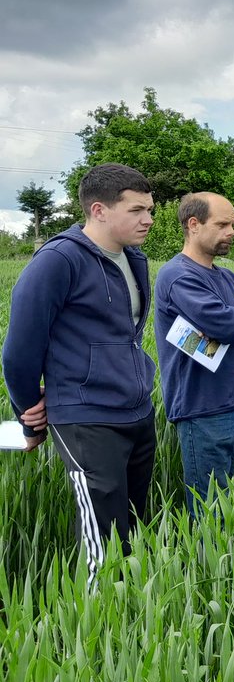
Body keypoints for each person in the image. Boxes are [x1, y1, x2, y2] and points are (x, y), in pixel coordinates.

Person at [2, 163, 156, 582]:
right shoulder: (57, 260)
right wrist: (28, 411)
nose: (148, 220)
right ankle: (99, 627)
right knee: (102, 537)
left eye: (151, 210)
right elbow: (19, 351)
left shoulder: (134, 259)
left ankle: (139, 623)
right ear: (99, 210)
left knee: (133, 524)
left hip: (137, 408)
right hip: (86, 416)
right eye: (137, 210)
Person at [154, 193, 234, 518]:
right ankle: (208, 568)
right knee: (211, 510)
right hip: (202, 409)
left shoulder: (228, 278)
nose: (232, 231)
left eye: (233, 224)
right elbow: (228, 324)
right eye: (222, 224)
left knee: (232, 501)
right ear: (194, 225)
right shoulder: (178, 275)